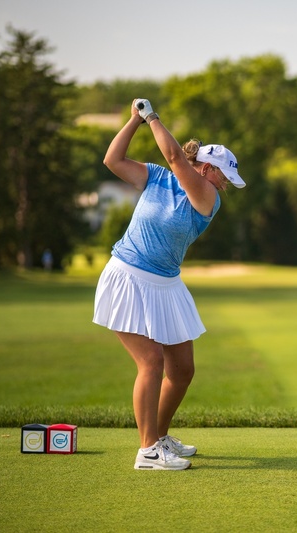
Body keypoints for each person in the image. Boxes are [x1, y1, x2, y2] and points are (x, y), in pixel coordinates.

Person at [93, 98, 245, 470]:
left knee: (182, 370)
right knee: (151, 361)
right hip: (128, 276)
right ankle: (147, 452)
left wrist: (153, 118)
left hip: (166, 283)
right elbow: (113, 160)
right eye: (224, 176)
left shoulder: (207, 198)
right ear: (207, 168)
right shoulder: (156, 177)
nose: (225, 185)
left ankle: (158, 437)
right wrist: (136, 120)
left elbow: (176, 158)